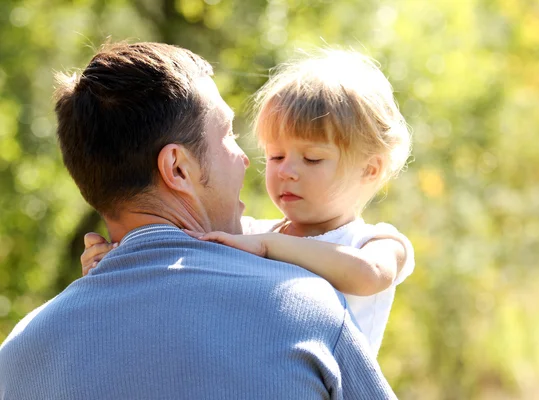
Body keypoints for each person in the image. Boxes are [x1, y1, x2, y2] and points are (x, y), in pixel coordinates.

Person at [0, 42, 397, 399]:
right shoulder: (309, 312)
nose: (246, 160)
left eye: (310, 158)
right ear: (178, 167)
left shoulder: (17, 354)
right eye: (228, 135)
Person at [81, 49, 415, 356]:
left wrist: (270, 246)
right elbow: (180, 253)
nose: (287, 171)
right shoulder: (254, 233)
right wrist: (116, 258)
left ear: (370, 169)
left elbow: (369, 275)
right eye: (276, 156)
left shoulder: (375, 242)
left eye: (312, 159)